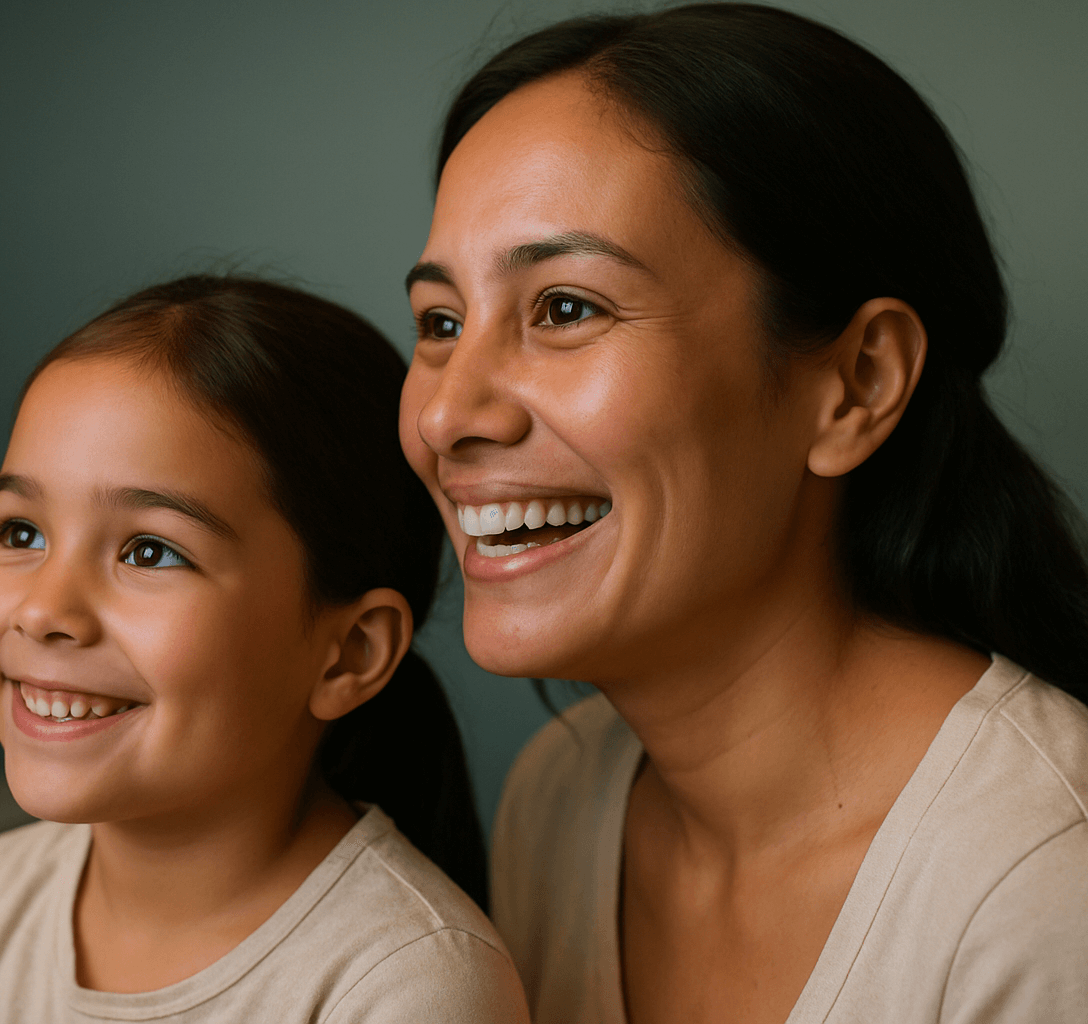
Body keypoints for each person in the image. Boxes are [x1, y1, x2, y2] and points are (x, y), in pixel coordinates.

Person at [398, 4, 1088, 1023]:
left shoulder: (1049, 891)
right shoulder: (560, 795)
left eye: (567, 307)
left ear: (855, 384)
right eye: (441, 321)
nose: (448, 413)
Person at [0, 275, 529, 1023]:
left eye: (150, 551)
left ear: (349, 654)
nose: (43, 611)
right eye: (21, 532)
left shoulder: (412, 986)